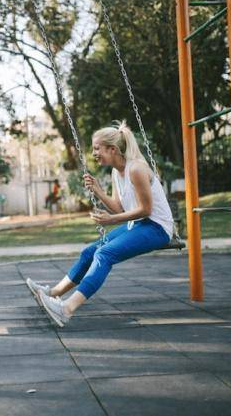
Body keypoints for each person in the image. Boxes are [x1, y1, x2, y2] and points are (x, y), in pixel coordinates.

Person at [26, 121, 173, 327]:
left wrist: (111, 220)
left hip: (156, 227)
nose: (94, 153)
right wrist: (97, 190)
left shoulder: (137, 169)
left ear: (112, 149)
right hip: (138, 225)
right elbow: (118, 208)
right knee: (89, 252)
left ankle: (66, 309)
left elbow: (146, 210)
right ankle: (53, 293)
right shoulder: (116, 172)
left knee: (104, 254)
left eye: (97, 148)